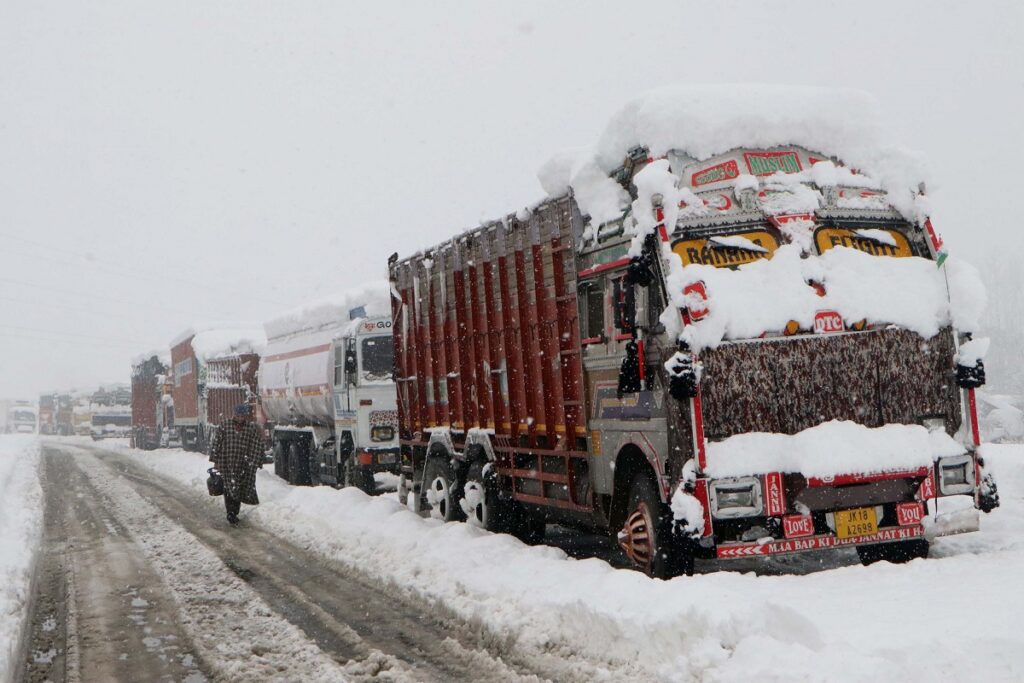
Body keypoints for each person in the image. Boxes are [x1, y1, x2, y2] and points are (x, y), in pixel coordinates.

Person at [209, 403, 263, 525]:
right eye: (238, 415)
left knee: (238, 487)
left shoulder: (250, 428)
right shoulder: (225, 425)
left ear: (245, 416)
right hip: (226, 462)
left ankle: (234, 511)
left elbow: (256, 444)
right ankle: (230, 512)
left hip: (242, 464)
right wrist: (215, 459)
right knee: (228, 487)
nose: (240, 417)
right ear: (234, 414)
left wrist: (255, 461)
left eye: (242, 415)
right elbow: (217, 442)